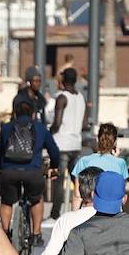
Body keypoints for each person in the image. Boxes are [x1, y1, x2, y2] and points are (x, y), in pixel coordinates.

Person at [0, 98, 60, 251]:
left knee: (6, 201)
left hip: (8, 172)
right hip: (32, 173)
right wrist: (54, 166)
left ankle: (5, 232)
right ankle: (36, 234)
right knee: (36, 199)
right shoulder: (40, 128)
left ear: (15, 113)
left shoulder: (7, 127)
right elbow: (54, 151)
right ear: (33, 114)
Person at [49, 67, 86, 219]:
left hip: (62, 144)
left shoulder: (62, 97)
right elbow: (84, 124)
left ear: (63, 81)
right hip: (76, 144)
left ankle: (55, 213)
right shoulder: (81, 98)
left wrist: (49, 132)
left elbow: (57, 123)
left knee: (59, 180)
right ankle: (84, 207)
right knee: (77, 180)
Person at [69, 122, 129, 209]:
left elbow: (77, 196)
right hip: (112, 211)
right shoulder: (120, 163)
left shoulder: (84, 161)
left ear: (97, 139)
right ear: (115, 142)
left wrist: (74, 216)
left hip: (90, 209)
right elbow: (121, 191)